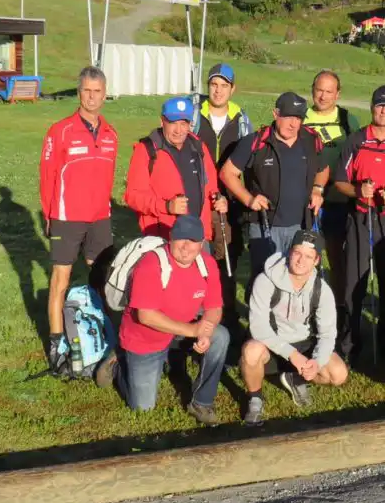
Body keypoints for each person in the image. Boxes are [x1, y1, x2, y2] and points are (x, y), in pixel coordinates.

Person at [96, 215, 229, 425]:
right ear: (171, 238)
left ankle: (202, 402)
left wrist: (206, 330)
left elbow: (214, 307)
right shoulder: (150, 264)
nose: (186, 247)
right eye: (181, 239)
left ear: (202, 243)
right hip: (145, 337)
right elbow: (146, 316)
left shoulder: (207, 263)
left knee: (220, 336)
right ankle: (118, 365)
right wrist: (194, 331)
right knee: (143, 408)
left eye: (193, 241)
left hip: (182, 329)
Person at [334, 85, 385, 366]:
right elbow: (340, 181)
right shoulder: (356, 140)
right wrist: (358, 191)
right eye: (380, 105)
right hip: (360, 217)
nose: (384, 111)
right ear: (372, 107)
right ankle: (349, 345)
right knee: (354, 284)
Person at [40, 66, 118, 364]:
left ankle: (99, 335)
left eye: (97, 91)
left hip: (99, 218)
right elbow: (47, 176)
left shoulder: (111, 134)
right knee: (61, 278)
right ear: (78, 92)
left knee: (102, 278)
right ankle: (56, 344)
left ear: (105, 94)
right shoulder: (59, 131)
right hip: (67, 217)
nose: (92, 97)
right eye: (87, 90)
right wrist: (49, 214)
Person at [219, 91, 328, 293]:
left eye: (298, 118)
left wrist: (318, 189)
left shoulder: (310, 140)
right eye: (288, 117)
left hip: (300, 224)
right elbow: (228, 173)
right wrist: (249, 199)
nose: (293, 124)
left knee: (296, 280)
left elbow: (323, 169)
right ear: (275, 114)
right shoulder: (256, 142)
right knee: (263, 281)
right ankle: (258, 313)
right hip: (264, 224)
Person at [240, 230, 348, 426]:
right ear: (289, 252)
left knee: (338, 374)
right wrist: (291, 354)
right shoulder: (265, 280)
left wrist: (317, 362)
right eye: (297, 253)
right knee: (251, 351)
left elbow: (327, 334)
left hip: (304, 344)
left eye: (308, 256)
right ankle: (255, 399)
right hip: (271, 344)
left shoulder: (322, 289)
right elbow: (259, 327)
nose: (301, 261)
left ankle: (296, 379)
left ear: (316, 261)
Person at [189, 63, 253, 351]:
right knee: (196, 262)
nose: (218, 90)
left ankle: (226, 321)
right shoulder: (195, 115)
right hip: (197, 201)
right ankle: (195, 320)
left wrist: (237, 197)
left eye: (224, 85)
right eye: (213, 84)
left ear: (232, 89)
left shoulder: (241, 120)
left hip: (229, 204)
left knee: (227, 262)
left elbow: (246, 164)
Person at [303, 70, 361, 335]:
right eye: (319, 90)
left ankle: (338, 311)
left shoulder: (348, 120)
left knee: (337, 259)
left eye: (329, 91)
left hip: (338, 202)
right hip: (306, 203)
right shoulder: (300, 116)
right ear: (312, 89)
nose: (323, 96)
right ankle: (306, 311)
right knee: (305, 259)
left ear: (338, 94)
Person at [123, 96, 228, 242]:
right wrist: (166, 206)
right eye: (173, 123)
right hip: (163, 237)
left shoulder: (198, 147)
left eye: (183, 123)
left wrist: (219, 200)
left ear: (190, 124)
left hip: (198, 237)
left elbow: (211, 189)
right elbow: (132, 196)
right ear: (162, 121)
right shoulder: (146, 150)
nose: (178, 130)